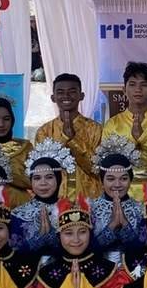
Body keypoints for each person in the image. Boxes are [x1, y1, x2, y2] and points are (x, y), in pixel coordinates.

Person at [103, 62, 147, 202]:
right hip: (122, 190)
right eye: (132, 84)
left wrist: (143, 139)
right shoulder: (112, 125)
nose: (138, 89)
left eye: (143, 85)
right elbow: (107, 163)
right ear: (124, 89)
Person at [35, 73, 104, 201]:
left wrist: (73, 140)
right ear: (53, 97)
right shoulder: (43, 132)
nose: (66, 96)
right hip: (56, 197)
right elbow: (43, 169)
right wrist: (64, 138)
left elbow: (97, 169)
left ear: (81, 96)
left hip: (90, 196)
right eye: (60, 92)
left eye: (72, 91)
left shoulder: (95, 129)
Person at [88, 134, 147, 262]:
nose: (117, 184)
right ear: (101, 180)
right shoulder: (90, 208)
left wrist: (125, 225)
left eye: (123, 178)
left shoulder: (141, 208)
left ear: (130, 180)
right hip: (99, 271)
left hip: (133, 271)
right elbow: (86, 249)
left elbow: (144, 248)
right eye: (110, 179)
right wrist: (112, 227)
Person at [13, 139, 77, 253]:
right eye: (37, 178)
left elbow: (81, 248)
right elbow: (13, 253)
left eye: (49, 177)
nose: (43, 183)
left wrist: (52, 238)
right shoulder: (18, 214)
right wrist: (39, 239)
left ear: (59, 179)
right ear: (31, 181)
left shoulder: (73, 211)